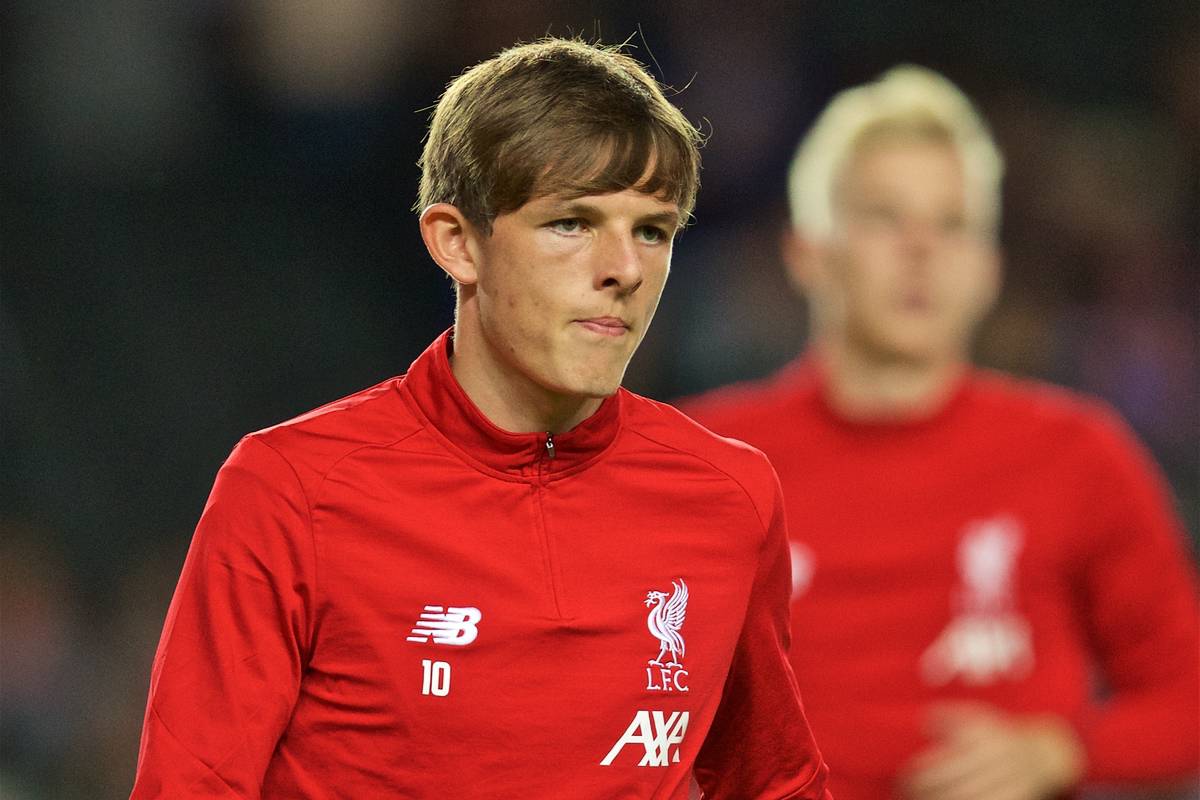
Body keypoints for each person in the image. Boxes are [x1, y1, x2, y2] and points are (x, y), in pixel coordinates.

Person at [128, 38, 830, 799]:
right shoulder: (294, 491)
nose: (623, 269)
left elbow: (777, 783)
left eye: (652, 230)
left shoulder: (730, 496)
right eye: (571, 222)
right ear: (456, 243)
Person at [680, 66, 1200, 800]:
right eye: (884, 218)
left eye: (951, 224)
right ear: (806, 252)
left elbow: (1186, 702)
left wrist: (1064, 752)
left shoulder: (1078, 454)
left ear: (988, 267)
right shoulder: (705, 461)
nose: (921, 249)